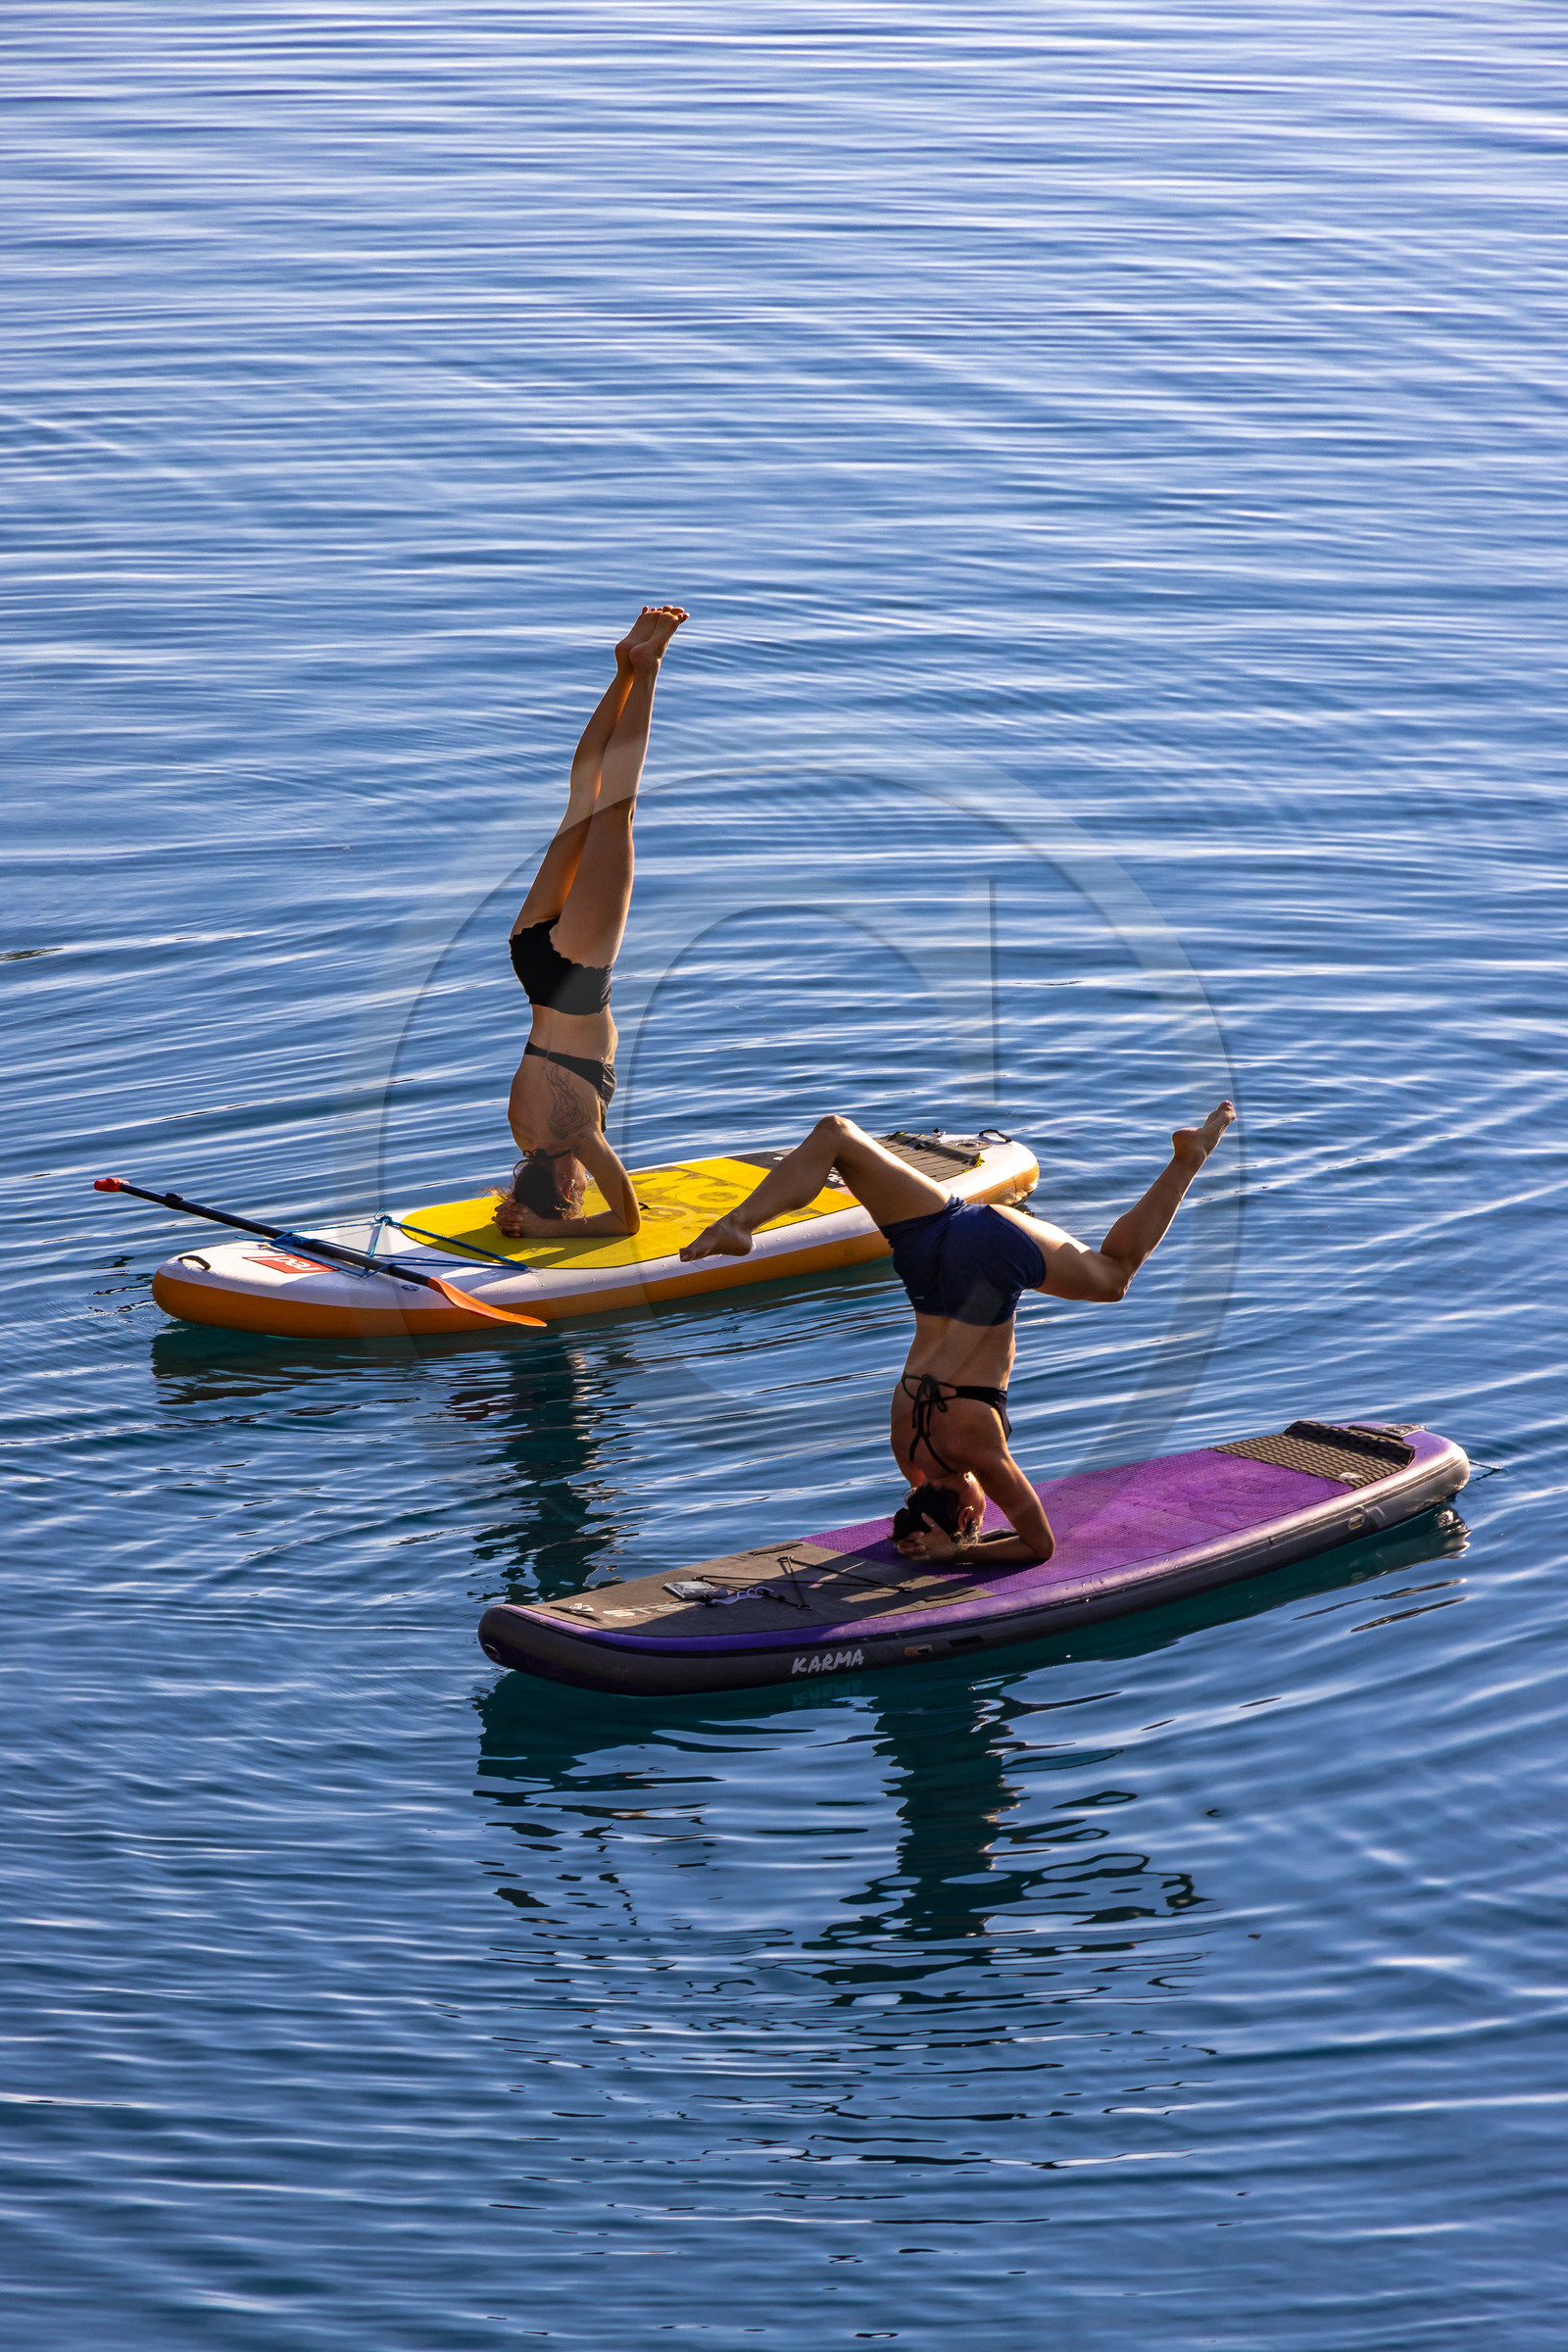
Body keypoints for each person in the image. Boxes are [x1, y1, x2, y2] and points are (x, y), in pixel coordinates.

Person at [678, 1102, 1236, 1565]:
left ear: (970, 1511)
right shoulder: (907, 1446)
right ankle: (739, 1223)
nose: (989, 1505)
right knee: (837, 1136)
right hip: (931, 1256)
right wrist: (923, 1534)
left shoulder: (981, 1455)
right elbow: (920, 1493)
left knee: (1113, 1276)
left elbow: (1038, 1547)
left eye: (980, 1514)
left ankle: (1189, 1160)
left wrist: (957, 1553)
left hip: (987, 1258)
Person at [496, 605, 688, 1242]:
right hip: (531, 963)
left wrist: (551, 1233)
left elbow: (628, 1222)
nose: (586, 1188)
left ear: (566, 1187)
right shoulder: (524, 1134)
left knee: (616, 810)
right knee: (582, 801)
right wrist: (517, 1211)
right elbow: (529, 1184)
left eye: (577, 1194)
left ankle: (649, 667)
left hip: (575, 975)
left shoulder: (578, 1133)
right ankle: (622, 670)